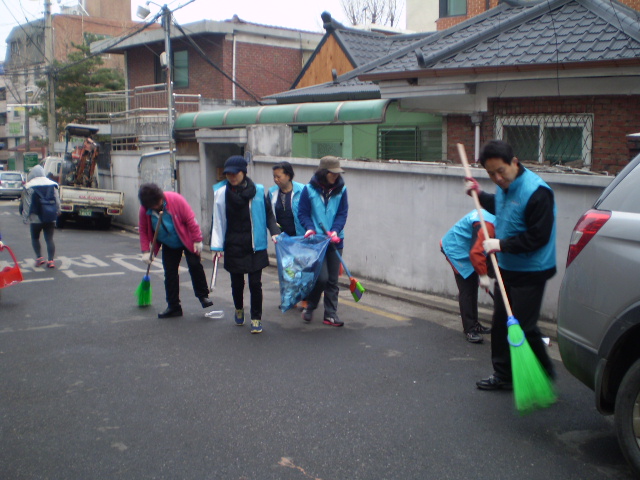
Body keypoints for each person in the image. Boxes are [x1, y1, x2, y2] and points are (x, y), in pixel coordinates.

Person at [466, 139, 557, 390]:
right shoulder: (506, 188)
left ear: (514, 163)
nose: (496, 178)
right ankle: (503, 374)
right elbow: (501, 207)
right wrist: (478, 192)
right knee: (500, 324)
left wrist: (501, 245)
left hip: (531, 270)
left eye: (500, 171)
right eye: (490, 173)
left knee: (525, 327)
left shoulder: (537, 192)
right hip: (506, 268)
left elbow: (539, 236)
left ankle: (545, 373)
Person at [210, 155, 280, 334]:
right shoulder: (221, 193)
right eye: (228, 174)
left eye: (235, 173)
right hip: (233, 244)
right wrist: (216, 247)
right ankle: (239, 308)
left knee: (255, 284)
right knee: (237, 283)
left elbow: (269, 215)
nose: (232, 177)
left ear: (243, 172)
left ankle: (256, 318)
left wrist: (275, 233)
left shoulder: (257, 191)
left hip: (254, 244)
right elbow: (217, 221)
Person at [138, 183, 213, 319]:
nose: (157, 206)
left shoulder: (175, 200)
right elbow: (143, 230)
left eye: (158, 203)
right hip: (168, 243)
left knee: (194, 265)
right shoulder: (145, 210)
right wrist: (145, 251)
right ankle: (174, 306)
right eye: (153, 205)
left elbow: (190, 219)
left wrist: (197, 240)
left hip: (186, 239)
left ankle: (203, 296)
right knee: (170, 272)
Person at [297, 156, 349, 327]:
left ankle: (330, 314)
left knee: (333, 280)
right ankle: (311, 305)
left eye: (337, 173)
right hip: (317, 241)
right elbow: (303, 213)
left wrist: (335, 230)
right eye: (332, 173)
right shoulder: (309, 190)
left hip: (334, 240)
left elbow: (342, 213)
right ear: (323, 172)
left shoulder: (342, 190)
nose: (336, 176)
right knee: (322, 279)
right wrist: (310, 227)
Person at [441, 209, 496, 343]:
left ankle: (475, 323)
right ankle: (470, 329)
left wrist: (484, 273)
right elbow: (476, 253)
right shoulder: (486, 224)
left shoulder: (495, 215)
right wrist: (483, 276)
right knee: (467, 289)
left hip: (469, 248)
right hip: (456, 249)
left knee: (472, 287)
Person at [19, 165, 60, 269]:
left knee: (35, 237)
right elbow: (57, 201)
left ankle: (39, 258)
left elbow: (26, 204)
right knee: (49, 238)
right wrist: (58, 212)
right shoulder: (52, 184)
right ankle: (51, 260)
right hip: (50, 216)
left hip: (35, 217)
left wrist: (25, 218)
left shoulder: (29, 186)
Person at [268, 161, 305, 237]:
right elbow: (269, 215)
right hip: (281, 238)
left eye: (278, 177)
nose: (275, 179)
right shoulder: (271, 192)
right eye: (274, 177)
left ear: (288, 175)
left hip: (301, 238)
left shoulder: (302, 190)